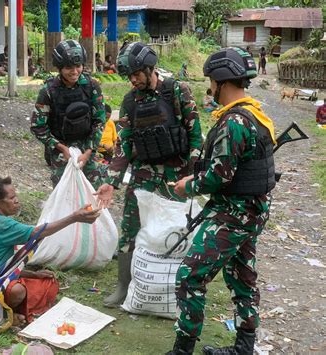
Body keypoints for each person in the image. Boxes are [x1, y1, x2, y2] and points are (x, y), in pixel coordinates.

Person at [168, 47, 276, 354]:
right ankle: (244, 348)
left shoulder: (234, 122)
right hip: (250, 212)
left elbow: (219, 177)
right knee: (242, 278)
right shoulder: (255, 113)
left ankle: (182, 348)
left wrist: (188, 185)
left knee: (190, 276)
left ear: (222, 81)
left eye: (211, 82)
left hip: (235, 214)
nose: (210, 88)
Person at [95, 42, 203, 308]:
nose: (133, 80)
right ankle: (124, 285)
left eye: (137, 74)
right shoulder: (131, 100)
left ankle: (176, 287)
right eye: (129, 76)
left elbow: (195, 136)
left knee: (175, 229)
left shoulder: (177, 91)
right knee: (130, 228)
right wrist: (111, 182)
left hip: (174, 174)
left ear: (149, 68)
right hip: (143, 175)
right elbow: (125, 143)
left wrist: (191, 176)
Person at [0, 175, 101, 326]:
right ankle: (4, 316)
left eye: (16, 196)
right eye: (12, 197)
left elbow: (3, 268)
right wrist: (74, 217)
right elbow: (38, 233)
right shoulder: (1, 224)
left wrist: (35, 274)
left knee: (44, 282)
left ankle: (9, 311)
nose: (17, 200)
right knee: (17, 291)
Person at [30, 39, 107, 188]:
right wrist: (61, 148)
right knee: (64, 195)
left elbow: (99, 120)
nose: (74, 71)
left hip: (87, 147)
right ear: (59, 68)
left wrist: (88, 150)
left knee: (94, 194)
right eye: (68, 67)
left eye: (78, 66)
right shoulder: (49, 91)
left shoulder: (92, 86)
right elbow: (37, 126)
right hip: (61, 149)